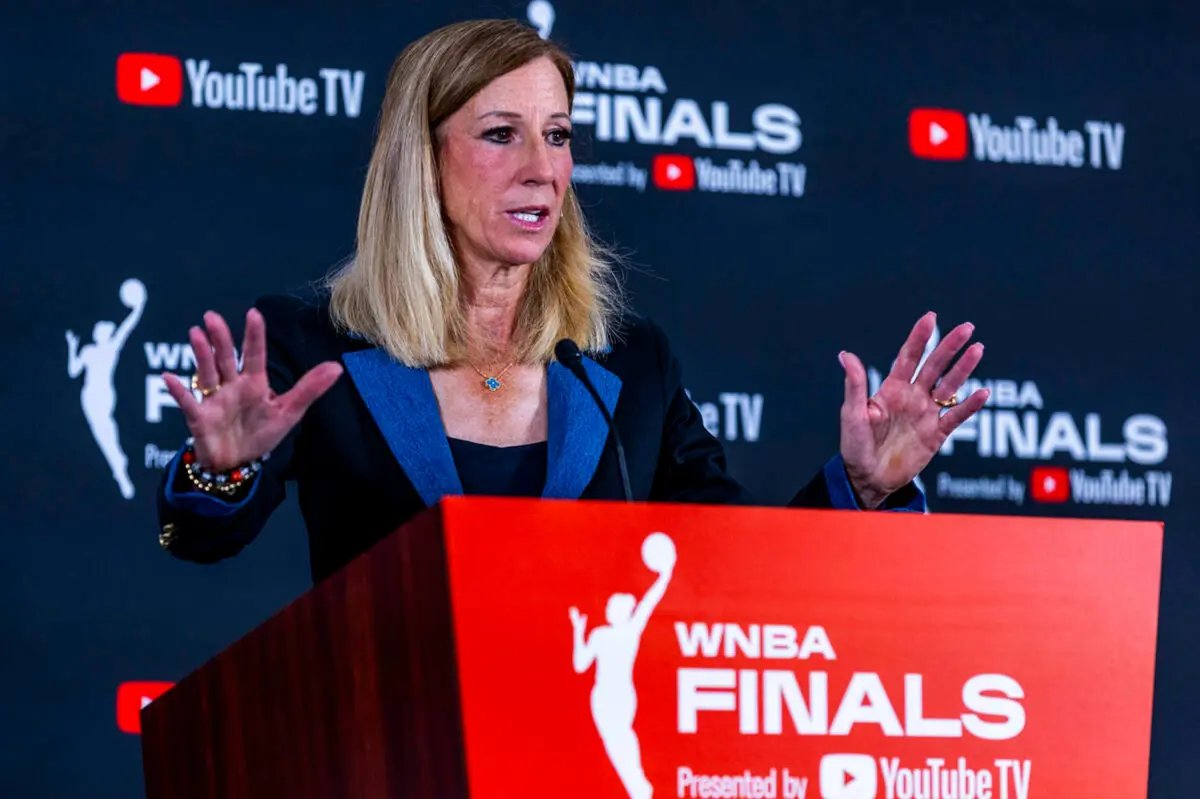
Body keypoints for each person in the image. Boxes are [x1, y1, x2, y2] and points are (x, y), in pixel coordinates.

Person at [156, 19, 988, 584]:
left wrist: (860, 487)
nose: (542, 168)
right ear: (422, 159)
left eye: (557, 135)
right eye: (500, 134)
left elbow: (735, 570)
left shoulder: (627, 363)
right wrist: (217, 468)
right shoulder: (315, 349)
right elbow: (194, 538)